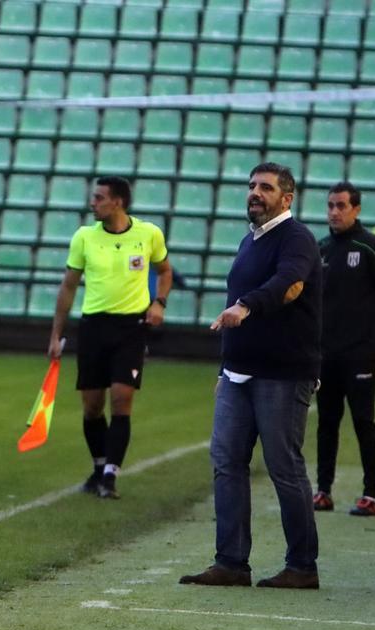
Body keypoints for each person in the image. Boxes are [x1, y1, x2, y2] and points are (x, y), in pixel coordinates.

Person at [180, 162, 322, 590]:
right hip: (238, 374)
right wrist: (224, 368)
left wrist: (247, 305)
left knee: (284, 467)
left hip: (282, 374)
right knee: (226, 463)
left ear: (287, 198)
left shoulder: (297, 238)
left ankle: (302, 566)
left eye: (265, 187)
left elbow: (290, 285)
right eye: (252, 186)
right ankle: (231, 562)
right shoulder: (250, 240)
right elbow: (230, 303)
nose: (255, 193)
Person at [47, 177, 173, 499]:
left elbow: (165, 269)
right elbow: (69, 286)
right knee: (91, 406)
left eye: (99, 198)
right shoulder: (85, 237)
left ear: (117, 202)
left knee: (121, 398)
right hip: (93, 328)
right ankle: (98, 465)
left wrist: (159, 302)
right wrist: (56, 334)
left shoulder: (149, 234)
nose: (93, 203)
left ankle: (110, 475)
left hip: (130, 328)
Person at [314, 181, 375, 517]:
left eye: (341, 206)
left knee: (364, 421)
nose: (334, 212)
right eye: (330, 206)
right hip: (326, 353)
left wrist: (372, 332)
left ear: (356, 209)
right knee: (326, 422)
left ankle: (371, 494)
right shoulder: (321, 249)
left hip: (361, 352)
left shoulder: (372, 246)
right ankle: (323, 491)